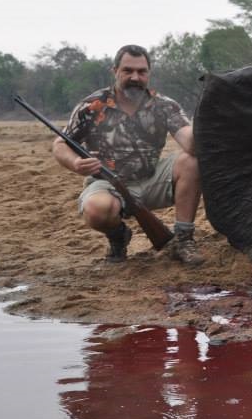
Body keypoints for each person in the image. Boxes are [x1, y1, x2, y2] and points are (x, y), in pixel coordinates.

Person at [52, 44, 204, 265]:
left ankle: (183, 240)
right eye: (128, 71)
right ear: (115, 71)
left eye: (141, 72)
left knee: (192, 161)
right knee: (96, 210)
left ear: (148, 74)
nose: (135, 77)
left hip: (153, 179)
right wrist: (76, 162)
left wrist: (208, 123)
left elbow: (189, 141)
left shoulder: (164, 105)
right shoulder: (92, 105)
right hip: (107, 183)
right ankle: (118, 236)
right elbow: (60, 144)